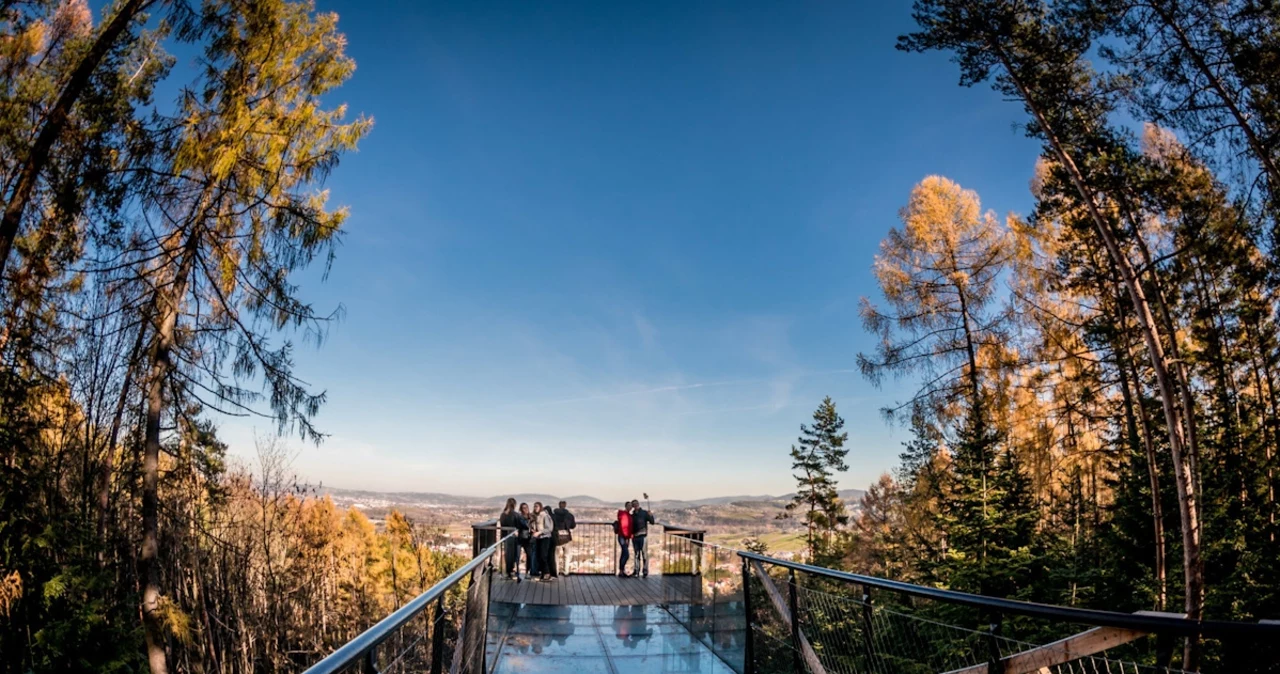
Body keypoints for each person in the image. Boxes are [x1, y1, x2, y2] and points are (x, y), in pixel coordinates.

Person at [499, 498, 528, 580]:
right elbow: (524, 525)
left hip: (506, 537)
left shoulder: (503, 515)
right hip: (515, 537)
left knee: (508, 555)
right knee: (516, 555)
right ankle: (515, 571)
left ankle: (507, 572)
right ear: (514, 505)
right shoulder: (516, 515)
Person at [630, 499, 655, 578]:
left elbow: (652, 522)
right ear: (633, 506)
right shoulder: (632, 515)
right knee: (637, 555)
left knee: (644, 554)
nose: (636, 505)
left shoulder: (644, 513)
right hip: (635, 537)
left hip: (643, 536)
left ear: (638, 504)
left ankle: (644, 571)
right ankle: (637, 571)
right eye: (634, 504)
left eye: (636, 503)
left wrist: (651, 515)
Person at [552, 500, 576, 575]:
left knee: (556, 556)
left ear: (559, 505)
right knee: (567, 555)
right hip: (567, 537)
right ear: (565, 505)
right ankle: (566, 571)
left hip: (557, 537)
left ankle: (556, 571)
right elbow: (573, 525)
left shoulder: (553, 515)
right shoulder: (570, 515)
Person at [533, 501, 555, 581]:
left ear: (540, 507)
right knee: (539, 556)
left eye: (537, 506)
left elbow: (549, 528)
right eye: (534, 506)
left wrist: (539, 532)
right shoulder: (537, 516)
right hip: (539, 538)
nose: (535, 508)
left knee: (543, 556)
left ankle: (547, 573)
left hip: (545, 538)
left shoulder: (545, 516)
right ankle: (543, 573)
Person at [612, 503, 633, 577]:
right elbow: (625, 527)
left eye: (631, 506)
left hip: (624, 537)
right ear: (626, 506)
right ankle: (621, 570)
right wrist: (627, 537)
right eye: (629, 506)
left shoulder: (627, 515)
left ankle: (621, 571)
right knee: (626, 554)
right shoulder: (624, 515)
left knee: (623, 553)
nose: (630, 507)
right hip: (623, 536)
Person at [518, 502, 535, 578]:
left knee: (530, 555)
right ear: (521, 509)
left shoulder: (531, 516)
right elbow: (525, 525)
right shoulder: (520, 517)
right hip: (521, 537)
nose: (526, 509)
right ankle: (517, 572)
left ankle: (528, 571)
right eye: (524, 508)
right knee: (517, 556)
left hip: (528, 538)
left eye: (526, 507)